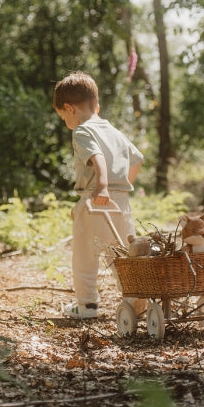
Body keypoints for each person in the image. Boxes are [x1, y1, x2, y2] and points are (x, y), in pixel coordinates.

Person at [53, 71, 143, 319]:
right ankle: (135, 297)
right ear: (97, 105)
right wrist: (118, 187)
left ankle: (87, 307)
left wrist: (103, 187)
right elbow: (138, 159)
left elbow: (97, 158)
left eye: (63, 117)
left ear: (69, 108)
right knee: (122, 255)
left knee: (84, 256)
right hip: (121, 202)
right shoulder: (114, 132)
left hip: (95, 199)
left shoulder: (82, 131)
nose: (66, 123)